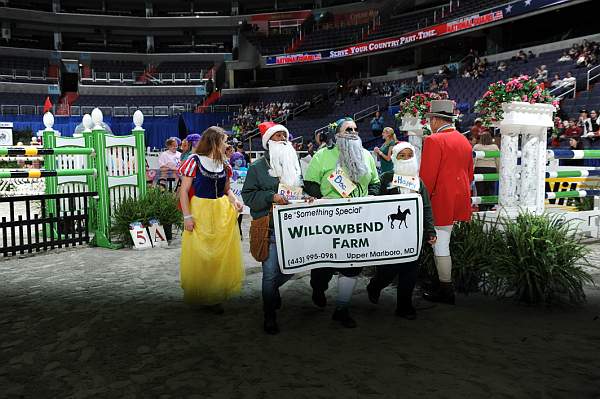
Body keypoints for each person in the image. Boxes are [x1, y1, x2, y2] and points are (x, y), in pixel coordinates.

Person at [304, 117, 381, 328]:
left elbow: (375, 182)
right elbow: (310, 184)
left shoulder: (366, 156)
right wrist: (323, 201)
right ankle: (318, 288)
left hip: (359, 219)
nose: (353, 132)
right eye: (348, 129)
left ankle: (342, 308)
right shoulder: (322, 155)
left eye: (355, 129)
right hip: (329, 219)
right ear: (337, 133)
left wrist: (370, 198)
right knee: (324, 265)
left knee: (352, 264)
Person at [241, 122, 306, 335]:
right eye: (277, 136)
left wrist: (306, 197)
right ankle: (269, 316)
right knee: (269, 275)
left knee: (295, 267)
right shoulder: (256, 168)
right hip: (269, 228)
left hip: (294, 228)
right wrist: (271, 197)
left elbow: (299, 189)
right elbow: (248, 196)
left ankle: (272, 291)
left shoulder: (295, 164)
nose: (282, 139)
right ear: (268, 142)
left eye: (284, 135)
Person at [177, 126, 244, 313]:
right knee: (201, 254)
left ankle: (215, 295)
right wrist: (187, 216)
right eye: (224, 141)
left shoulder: (224, 163)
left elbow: (226, 189)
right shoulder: (194, 161)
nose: (226, 144)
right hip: (201, 211)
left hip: (221, 210)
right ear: (214, 142)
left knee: (218, 255)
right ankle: (202, 293)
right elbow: (183, 191)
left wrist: (235, 200)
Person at [367, 142, 436, 319]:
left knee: (410, 272)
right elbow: (376, 202)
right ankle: (375, 285)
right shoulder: (386, 178)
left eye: (408, 155)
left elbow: (426, 207)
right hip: (389, 236)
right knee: (388, 271)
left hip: (413, 236)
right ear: (395, 158)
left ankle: (404, 307)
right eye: (401, 155)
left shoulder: (418, 182)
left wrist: (430, 231)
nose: (406, 159)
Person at [419, 100, 474, 304]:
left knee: (440, 245)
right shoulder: (464, 140)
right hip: (459, 200)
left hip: (440, 201)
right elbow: (470, 175)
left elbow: (427, 179)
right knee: (443, 244)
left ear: (434, 120)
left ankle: (445, 289)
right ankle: (443, 285)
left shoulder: (434, 140)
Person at [472, 133, 500, 211]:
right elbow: (498, 160)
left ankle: (481, 206)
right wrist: (498, 170)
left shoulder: (477, 147)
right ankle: (490, 206)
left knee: (480, 189)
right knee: (491, 188)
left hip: (479, 168)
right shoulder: (495, 147)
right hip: (491, 168)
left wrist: (472, 170)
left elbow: (473, 160)